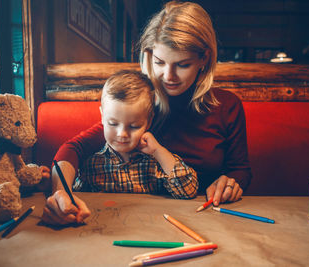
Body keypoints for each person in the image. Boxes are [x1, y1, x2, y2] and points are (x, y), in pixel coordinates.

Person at [42, 1, 252, 225]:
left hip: (211, 214)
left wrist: (230, 182)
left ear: (204, 59)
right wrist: (60, 194)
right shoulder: (145, 102)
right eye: (159, 62)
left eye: (182, 64)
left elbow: (240, 170)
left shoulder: (228, 106)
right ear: (149, 55)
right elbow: (74, 148)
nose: (168, 76)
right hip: (151, 217)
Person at [41, 70, 198, 224]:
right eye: (113, 124)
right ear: (102, 116)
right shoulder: (90, 163)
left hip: (150, 228)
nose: (122, 134)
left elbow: (188, 190)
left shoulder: (155, 161)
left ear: (149, 122)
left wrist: (158, 152)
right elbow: (69, 196)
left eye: (134, 126)